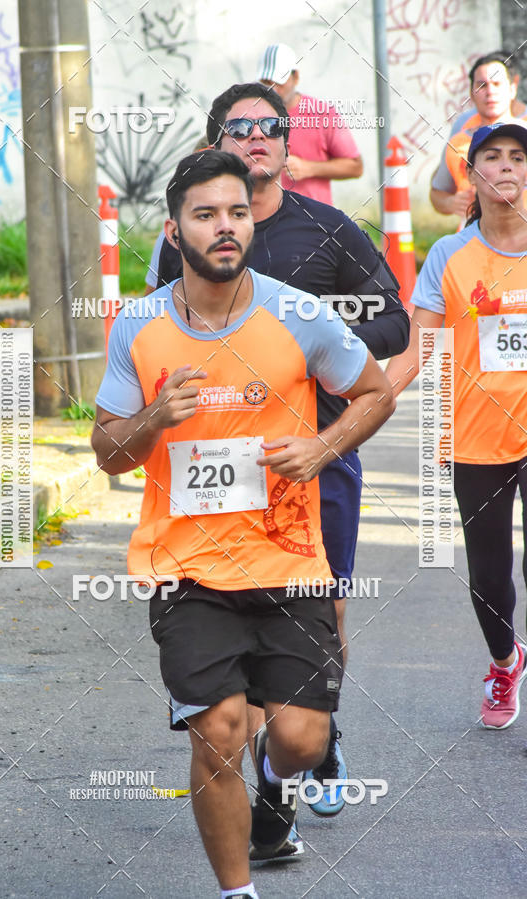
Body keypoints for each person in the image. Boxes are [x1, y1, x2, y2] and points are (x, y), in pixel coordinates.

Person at [92, 149, 395, 898]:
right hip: (185, 565)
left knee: (299, 736)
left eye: (235, 211)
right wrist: (155, 416)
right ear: (173, 230)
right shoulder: (139, 325)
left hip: (288, 559)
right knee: (220, 727)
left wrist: (322, 447)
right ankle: (237, 892)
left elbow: (375, 391)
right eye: (205, 214)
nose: (224, 227)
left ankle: (275, 779)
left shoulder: (297, 314)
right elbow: (107, 453)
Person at [145, 81, 409, 836]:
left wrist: (312, 335)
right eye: (240, 127)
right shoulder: (187, 235)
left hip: (313, 456)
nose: (256, 137)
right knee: (225, 614)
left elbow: (390, 318)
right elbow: (157, 334)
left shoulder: (328, 230)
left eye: (271, 127)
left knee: (319, 608)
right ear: (215, 145)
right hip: (215, 462)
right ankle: (253, 778)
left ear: (290, 148)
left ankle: (308, 740)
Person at [388, 122, 527, 728]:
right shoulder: (448, 256)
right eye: (492, 158)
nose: (506, 168)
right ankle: (504, 661)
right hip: (472, 433)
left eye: (518, 158)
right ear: (473, 175)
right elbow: (418, 349)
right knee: (489, 575)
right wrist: (360, 406)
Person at [256, 43, 363, 204]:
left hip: (314, 223)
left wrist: (309, 168)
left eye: (280, 81)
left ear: (296, 77)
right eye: (267, 81)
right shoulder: (250, 116)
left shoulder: (322, 114)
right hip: (264, 223)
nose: (273, 89)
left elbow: (355, 167)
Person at [430, 52, 527, 222]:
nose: (490, 92)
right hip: (473, 236)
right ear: (472, 92)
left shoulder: (524, 134)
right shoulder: (458, 141)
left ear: (512, 89)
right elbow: (437, 192)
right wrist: (451, 202)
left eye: (497, 84)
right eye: (482, 85)